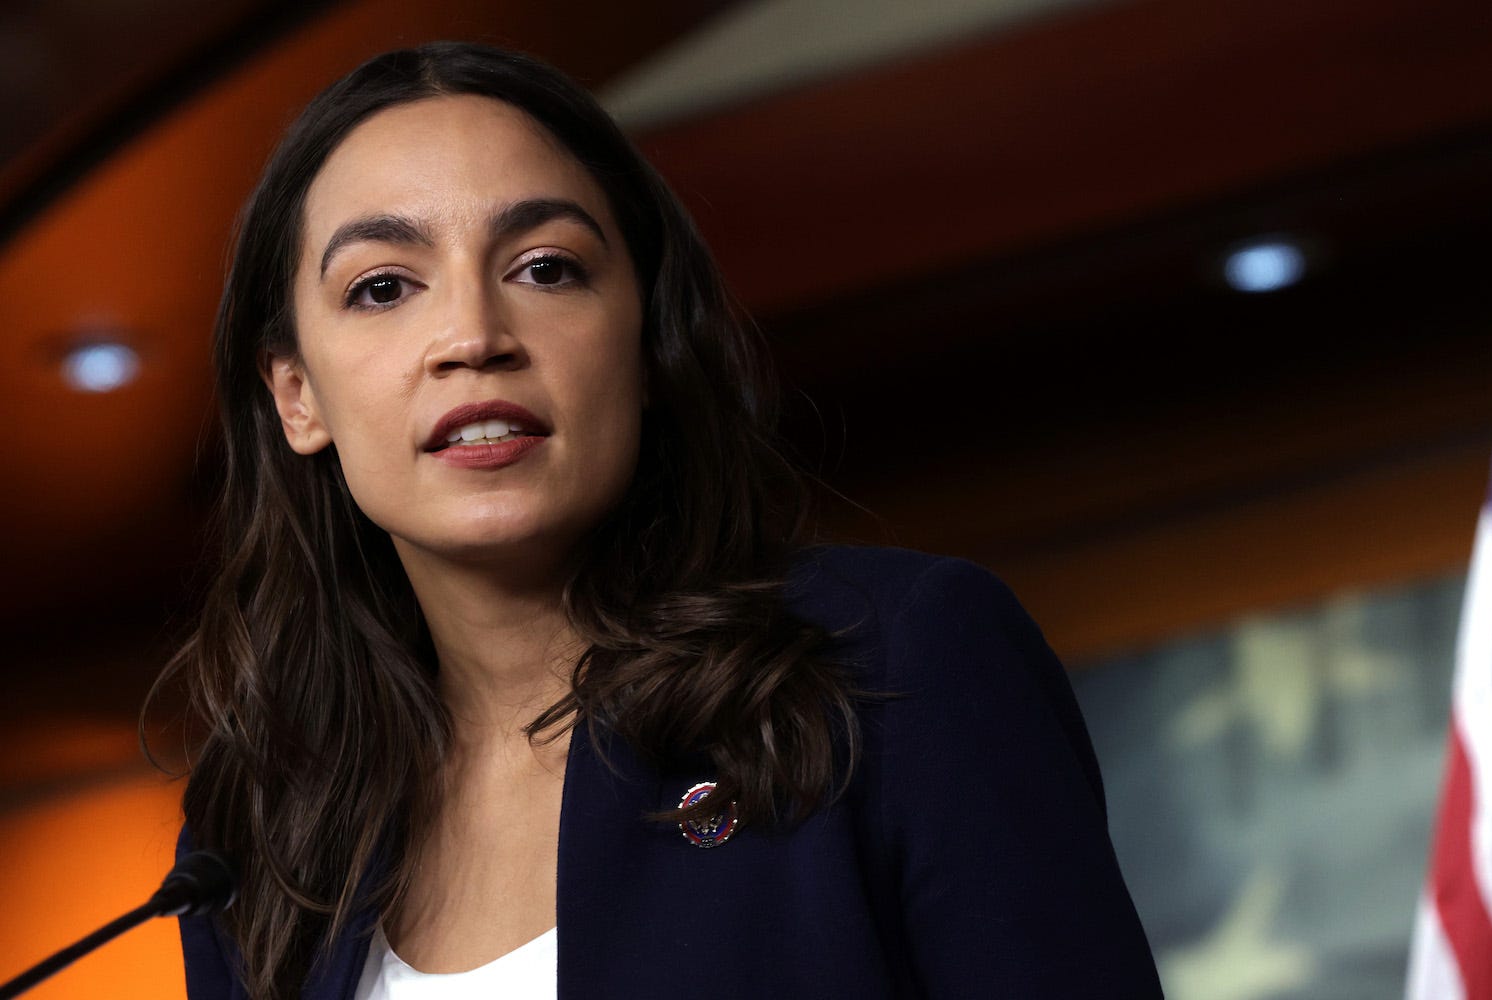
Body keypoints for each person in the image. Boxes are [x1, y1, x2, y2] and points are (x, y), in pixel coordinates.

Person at [150, 41, 1162, 1000]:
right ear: (296, 395)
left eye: (546, 268)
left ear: (645, 342)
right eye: (382, 287)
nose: (471, 335)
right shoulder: (253, 830)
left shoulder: (897, 661)